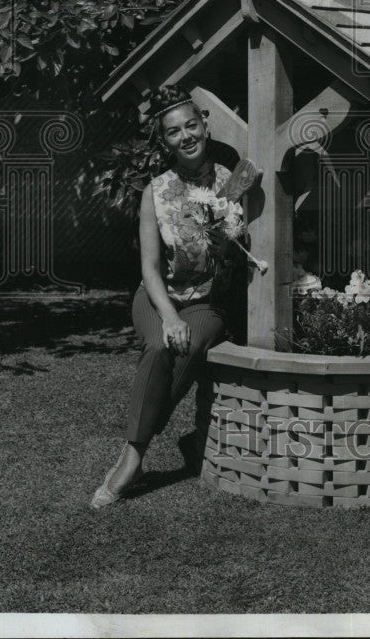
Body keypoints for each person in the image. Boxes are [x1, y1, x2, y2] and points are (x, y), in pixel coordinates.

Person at [90, 85, 258, 509]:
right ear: (164, 141)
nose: (185, 136)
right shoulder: (155, 191)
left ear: (205, 125)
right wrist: (169, 316)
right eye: (172, 132)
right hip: (157, 295)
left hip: (209, 299)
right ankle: (136, 454)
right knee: (160, 343)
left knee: (191, 343)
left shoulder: (233, 182)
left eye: (191, 126)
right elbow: (149, 269)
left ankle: (133, 454)